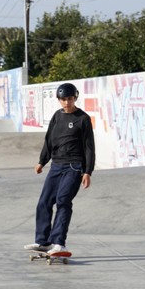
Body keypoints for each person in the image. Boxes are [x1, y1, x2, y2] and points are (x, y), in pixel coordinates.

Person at [24, 83, 95, 256]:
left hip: (74, 166)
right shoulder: (57, 116)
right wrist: (42, 161)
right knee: (45, 201)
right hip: (56, 165)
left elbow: (89, 147)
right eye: (63, 99)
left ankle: (59, 243)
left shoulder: (83, 119)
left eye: (70, 99)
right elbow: (49, 140)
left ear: (75, 98)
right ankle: (43, 241)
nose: (66, 103)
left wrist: (87, 171)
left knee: (63, 200)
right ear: (59, 100)